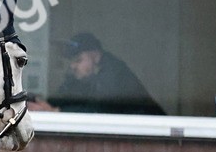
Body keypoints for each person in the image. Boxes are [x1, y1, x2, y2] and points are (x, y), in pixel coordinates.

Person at [28, 32, 165, 115]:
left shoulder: (114, 74)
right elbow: (66, 93)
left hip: (156, 136)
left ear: (95, 56)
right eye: (71, 61)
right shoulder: (84, 75)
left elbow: (99, 110)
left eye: (78, 60)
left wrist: (56, 112)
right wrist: (44, 104)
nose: (72, 66)